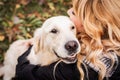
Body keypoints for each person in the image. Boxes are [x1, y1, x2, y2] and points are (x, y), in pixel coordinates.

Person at [15, 0, 120, 80]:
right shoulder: (106, 38)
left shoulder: (86, 68)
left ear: (89, 22)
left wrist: (31, 48)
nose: (68, 11)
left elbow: (23, 72)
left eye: (74, 12)